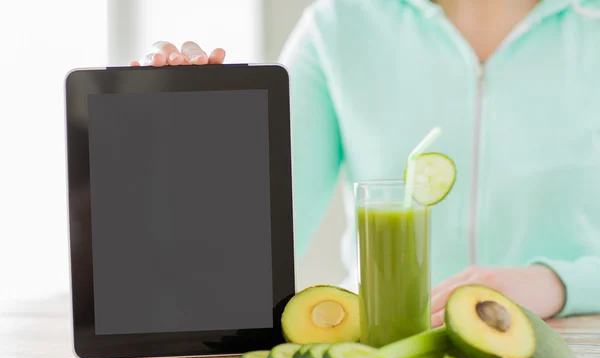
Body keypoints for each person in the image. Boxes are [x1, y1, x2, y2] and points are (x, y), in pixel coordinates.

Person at [132, 0, 600, 327]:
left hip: (570, 342)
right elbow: (246, 250)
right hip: (376, 351)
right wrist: (184, 142)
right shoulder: (338, 25)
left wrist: (559, 284)